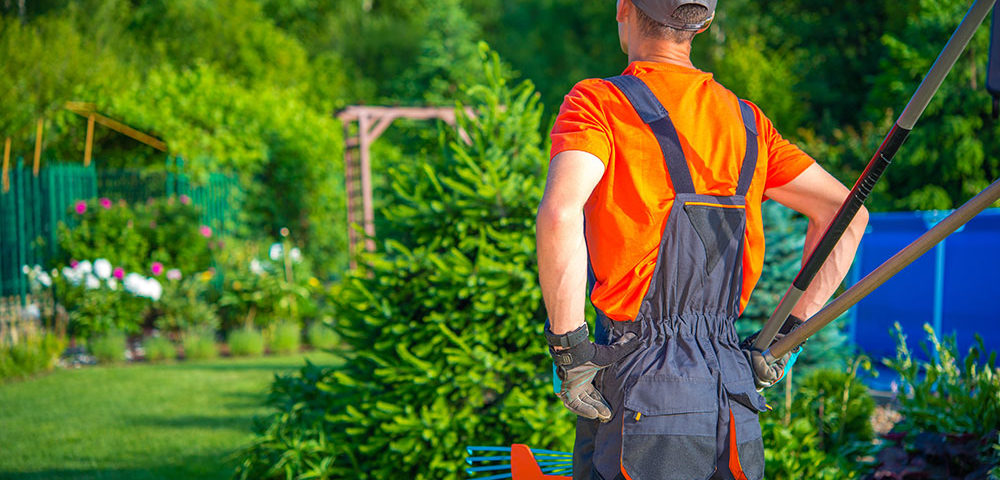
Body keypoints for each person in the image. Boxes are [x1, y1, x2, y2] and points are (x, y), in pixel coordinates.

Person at [534, 1, 869, 479]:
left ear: (624, 8)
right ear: (704, 23)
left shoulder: (600, 104)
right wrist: (788, 336)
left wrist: (570, 348)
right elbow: (845, 213)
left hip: (640, 390)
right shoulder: (748, 122)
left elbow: (560, 212)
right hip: (732, 393)